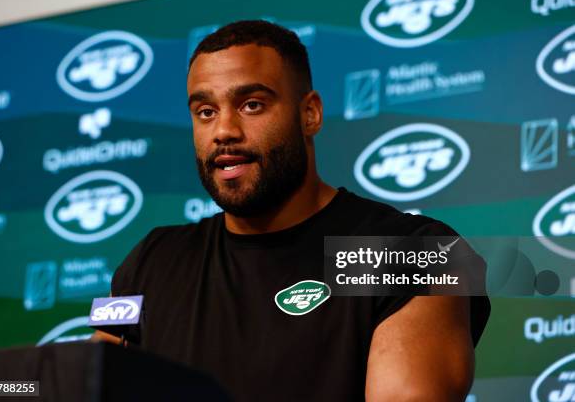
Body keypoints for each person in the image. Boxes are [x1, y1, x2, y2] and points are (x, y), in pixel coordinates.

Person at [94, 20, 490, 401]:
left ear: (310, 114)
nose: (223, 131)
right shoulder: (148, 263)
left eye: (251, 105)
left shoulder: (414, 254)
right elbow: (89, 382)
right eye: (205, 111)